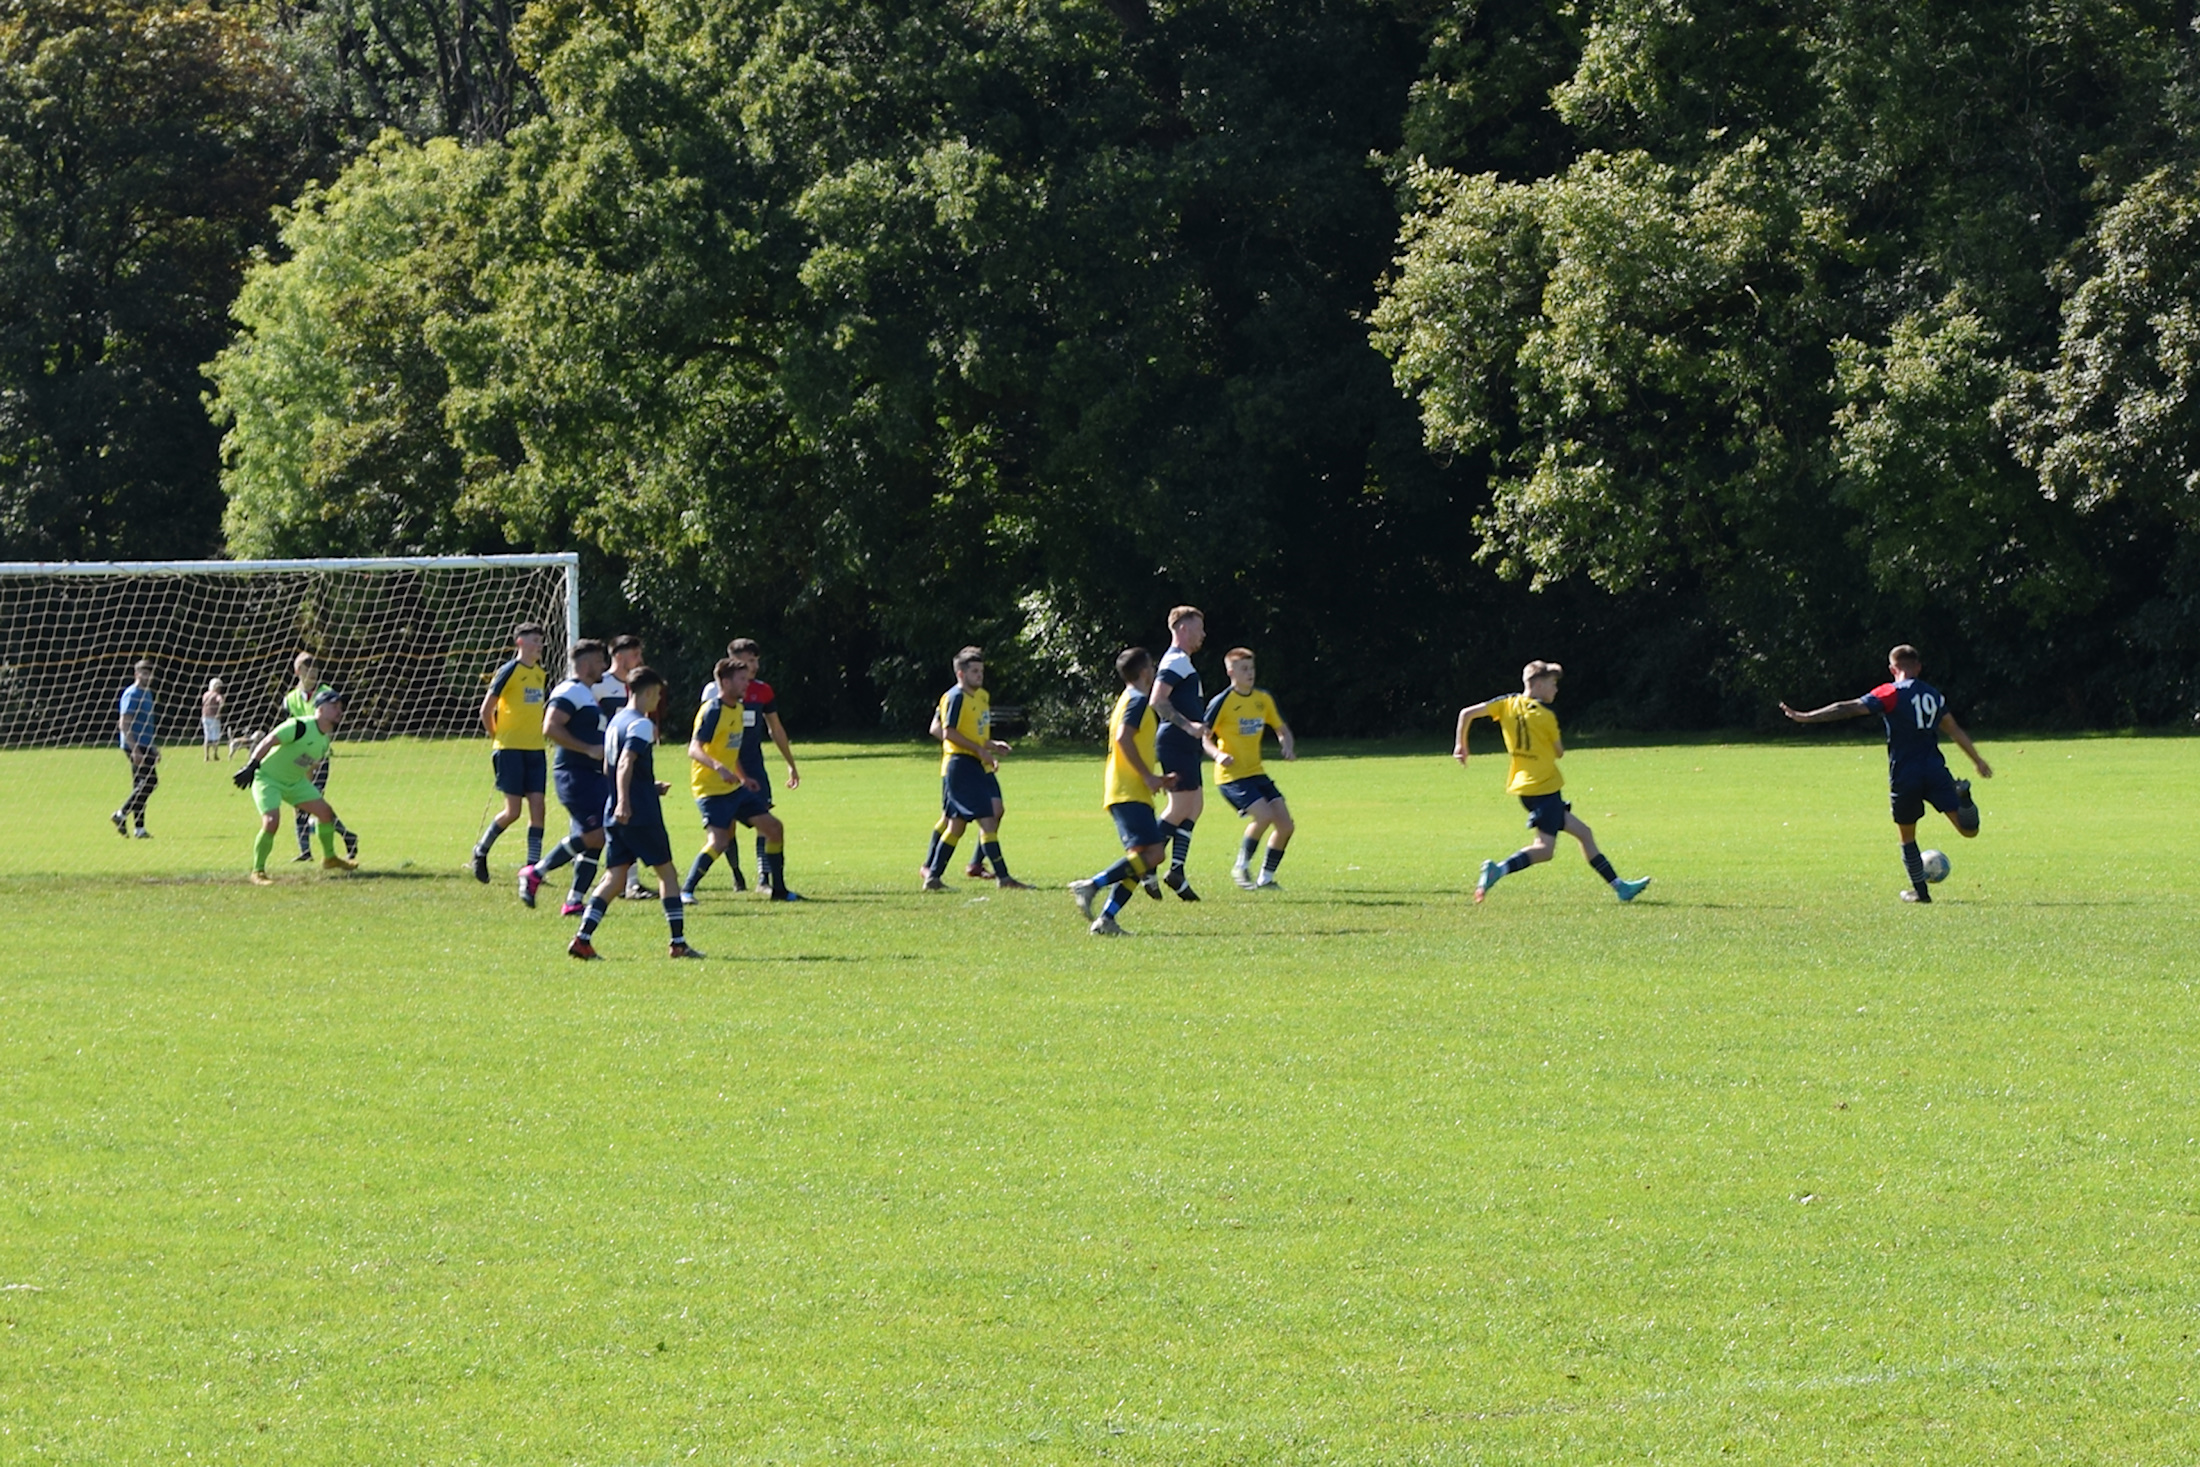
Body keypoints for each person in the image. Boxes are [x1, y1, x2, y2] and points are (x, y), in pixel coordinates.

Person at [1780, 643, 1992, 903]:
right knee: (1969, 830)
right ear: (1918, 667)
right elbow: (1954, 729)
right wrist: (1977, 760)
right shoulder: (1934, 695)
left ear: (1893, 669)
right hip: (1935, 769)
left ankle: (1921, 894)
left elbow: (1847, 708)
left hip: (1905, 774)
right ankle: (1965, 798)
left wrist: (1806, 717)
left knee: (1907, 836)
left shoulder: (1889, 692)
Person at [1455, 660, 1652, 904]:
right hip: (1545, 788)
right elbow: (1559, 752)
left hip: (1525, 788)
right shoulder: (1545, 716)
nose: (1555, 690)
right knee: (1545, 849)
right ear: (1537, 684)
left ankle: (1621, 887)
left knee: (1584, 833)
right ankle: (1499, 870)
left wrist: (1461, 745)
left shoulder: (1507, 704)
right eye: (1552, 684)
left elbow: (1467, 713)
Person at [568, 667, 701, 959]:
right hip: (638, 813)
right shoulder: (641, 724)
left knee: (615, 878)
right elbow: (626, 762)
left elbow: (610, 767)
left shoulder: (615, 722)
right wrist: (628, 801)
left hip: (614, 813)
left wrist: (642, 788)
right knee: (667, 873)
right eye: (658, 694)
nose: (658, 700)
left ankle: (583, 938)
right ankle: (678, 943)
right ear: (648, 692)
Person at [1068, 647, 1178, 936]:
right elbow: (1123, 739)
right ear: (1144, 672)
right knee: (1154, 855)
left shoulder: (1126, 699)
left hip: (1128, 789)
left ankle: (1106, 920)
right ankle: (1091, 885)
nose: (1154, 672)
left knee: (1139, 860)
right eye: (1152, 667)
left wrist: (1156, 779)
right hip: (1128, 789)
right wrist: (1148, 777)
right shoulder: (1139, 701)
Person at [683, 657, 801, 901]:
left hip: (734, 788)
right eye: (741, 679)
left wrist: (742, 777)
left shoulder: (738, 708)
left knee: (774, 827)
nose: (747, 684)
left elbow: (730, 748)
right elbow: (694, 749)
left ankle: (778, 890)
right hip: (710, 789)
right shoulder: (713, 710)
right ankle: (686, 890)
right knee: (719, 841)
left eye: (747, 679)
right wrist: (718, 768)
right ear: (725, 682)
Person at [919, 646, 1029, 891]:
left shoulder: (981, 697)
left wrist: (990, 745)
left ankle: (933, 877)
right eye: (974, 671)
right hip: (961, 764)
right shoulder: (956, 697)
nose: (980, 675)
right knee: (986, 821)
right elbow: (948, 732)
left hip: (974, 764)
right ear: (961, 674)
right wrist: (979, 750)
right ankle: (1004, 878)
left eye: (981, 671)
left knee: (957, 825)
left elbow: (975, 734)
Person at [520, 638, 612, 914]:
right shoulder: (569, 691)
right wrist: (587, 749)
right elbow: (550, 727)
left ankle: (574, 901)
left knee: (600, 834)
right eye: (598, 661)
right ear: (584, 664)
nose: (603, 667)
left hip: (593, 776)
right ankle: (536, 871)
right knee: (595, 834)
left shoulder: (585, 694)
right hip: (574, 774)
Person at [234, 689, 359, 882]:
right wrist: (251, 765)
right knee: (271, 822)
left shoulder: (324, 742)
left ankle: (329, 858)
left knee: (325, 813)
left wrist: (305, 797)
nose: (339, 711)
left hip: (295, 782)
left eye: (340, 707)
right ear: (320, 708)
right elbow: (269, 740)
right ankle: (258, 872)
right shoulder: (299, 726)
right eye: (334, 707)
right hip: (268, 778)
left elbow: (307, 766)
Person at [1201, 648, 1297, 890]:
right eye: (1244, 669)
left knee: (1286, 826)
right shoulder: (1222, 702)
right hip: (1231, 777)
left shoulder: (1263, 699)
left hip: (1256, 773)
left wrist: (1286, 746)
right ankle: (1241, 866)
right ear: (1230, 672)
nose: (1250, 673)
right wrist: (1218, 754)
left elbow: (1281, 729)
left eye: (1252, 668)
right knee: (1264, 816)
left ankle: (1266, 879)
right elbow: (1204, 737)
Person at [472, 623, 549, 882]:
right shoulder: (509, 671)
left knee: (538, 808)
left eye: (540, 641)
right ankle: (481, 851)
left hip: (536, 750)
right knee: (513, 811)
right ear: (520, 643)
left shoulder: (540, 674)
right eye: (534, 640)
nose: (539, 645)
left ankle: (532, 869)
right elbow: (486, 710)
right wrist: (498, 738)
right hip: (510, 751)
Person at [1149, 605, 1210, 900]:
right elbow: (1158, 700)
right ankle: (1147, 864)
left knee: (1194, 805)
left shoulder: (1183, 661)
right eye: (1199, 627)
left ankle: (1176, 870)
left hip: (1185, 743)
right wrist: (1188, 727)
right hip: (1175, 740)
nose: (1203, 634)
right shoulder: (1174, 660)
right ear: (1183, 628)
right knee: (1178, 809)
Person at [284, 653, 357, 861]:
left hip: (319, 756)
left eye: (315, 670)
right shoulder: (291, 699)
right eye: (308, 671)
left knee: (313, 803)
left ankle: (346, 837)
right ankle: (306, 850)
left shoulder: (326, 693)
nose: (312, 675)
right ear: (298, 672)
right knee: (300, 803)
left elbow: (332, 723)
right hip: (299, 758)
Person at [113, 659, 158, 838]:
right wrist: (134, 749)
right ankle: (120, 814)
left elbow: (147, 724)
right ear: (136, 674)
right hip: (135, 745)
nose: (148, 676)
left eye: (150, 673)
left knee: (139, 786)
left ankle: (139, 829)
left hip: (145, 744)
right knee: (150, 782)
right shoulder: (132, 694)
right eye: (144, 673)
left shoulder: (147, 693)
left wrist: (153, 747)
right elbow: (124, 723)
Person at [200, 678, 226, 761]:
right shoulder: (217, 695)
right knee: (215, 737)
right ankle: (215, 755)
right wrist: (218, 712)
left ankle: (206, 756)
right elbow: (222, 703)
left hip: (205, 716)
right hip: (214, 718)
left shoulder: (205, 694)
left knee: (207, 736)